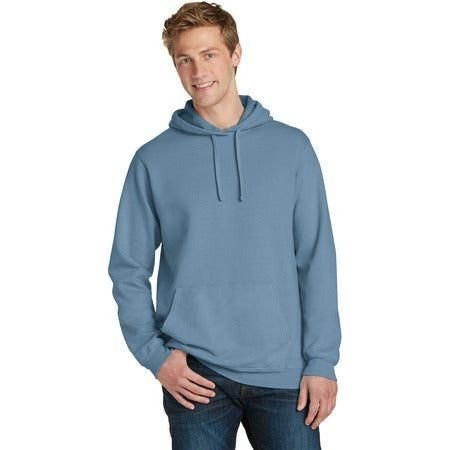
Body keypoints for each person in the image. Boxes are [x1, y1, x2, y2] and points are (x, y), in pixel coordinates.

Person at [108, 2, 341, 448]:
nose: (198, 71)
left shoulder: (292, 148)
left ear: (235, 54)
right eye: (184, 59)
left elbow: (316, 259)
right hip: (195, 374)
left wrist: (321, 361)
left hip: (285, 372)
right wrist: (155, 357)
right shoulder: (153, 160)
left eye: (209, 54)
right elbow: (127, 268)